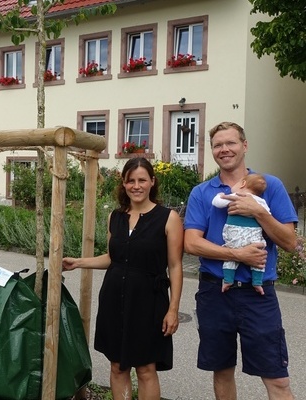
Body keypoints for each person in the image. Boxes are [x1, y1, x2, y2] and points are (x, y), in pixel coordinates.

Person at [184, 121, 297, 400]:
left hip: (258, 295)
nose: (225, 149)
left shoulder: (270, 186)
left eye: (231, 143)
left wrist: (258, 212)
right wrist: (236, 255)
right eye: (218, 145)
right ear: (212, 151)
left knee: (277, 378)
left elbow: (290, 242)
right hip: (214, 292)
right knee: (222, 372)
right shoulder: (202, 192)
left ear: (244, 146)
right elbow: (191, 242)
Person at [62, 157, 183, 400]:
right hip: (114, 299)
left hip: (149, 301)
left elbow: (175, 265)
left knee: (146, 368)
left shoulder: (168, 218)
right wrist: (79, 262)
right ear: (124, 184)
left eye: (142, 180)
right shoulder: (115, 217)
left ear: (152, 182)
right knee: (117, 366)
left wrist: (173, 309)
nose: (136, 186)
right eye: (131, 181)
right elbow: (113, 258)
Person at [212, 173, 270, 294]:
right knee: (258, 257)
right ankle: (257, 282)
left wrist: (220, 195)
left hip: (235, 233)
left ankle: (227, 280)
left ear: (243, 184)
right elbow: (267, 215)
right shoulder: (261, 201)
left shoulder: (236, 195)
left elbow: (217, 203)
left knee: (231, 255)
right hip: (253, 234)